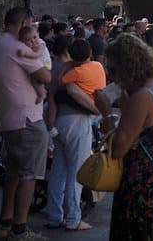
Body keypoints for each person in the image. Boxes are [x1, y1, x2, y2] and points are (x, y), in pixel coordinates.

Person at [0, 7, 52, 241]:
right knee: (28, 175)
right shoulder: (18, 48)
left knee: (13, 174)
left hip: (7, 118)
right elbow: (46, 77)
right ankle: (20, 229)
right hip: (28, 119)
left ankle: (5, 223)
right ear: (24, 24)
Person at [106, 33, 153, 241]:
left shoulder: (142, 96)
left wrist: (105, 112)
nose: (111, 75)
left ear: (126, 66)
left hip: (140, 185)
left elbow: (118, 148)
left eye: (112, 69)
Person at [45, 38, 104, 231]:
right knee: (76, 172)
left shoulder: (64, 70)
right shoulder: (97, 67)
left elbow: (60, 82)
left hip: (59, 120)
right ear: (89, 54)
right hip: (79, 121)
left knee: (58, 170)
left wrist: (67, 65)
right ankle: (73, 218)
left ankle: (54, 216)